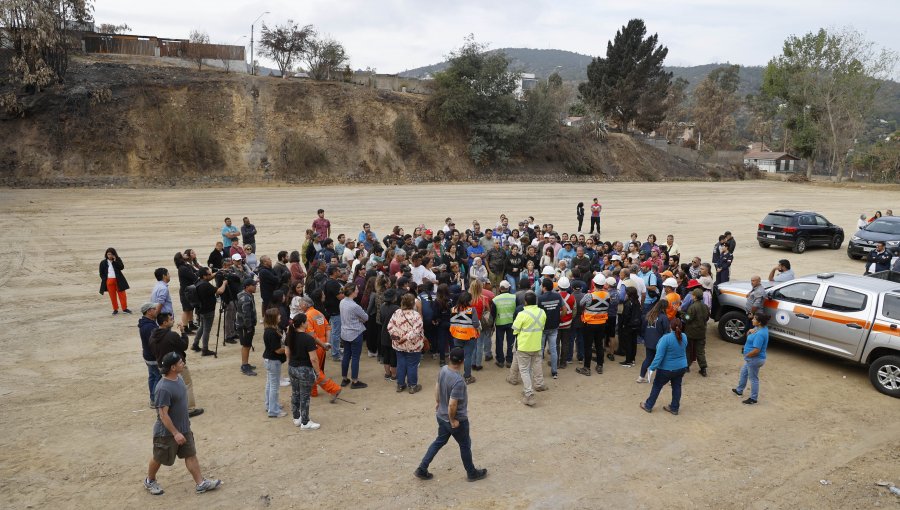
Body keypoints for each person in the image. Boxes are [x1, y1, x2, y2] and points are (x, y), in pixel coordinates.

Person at [144, 352, 221, 496]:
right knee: (159, 457)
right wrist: (175, 433)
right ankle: (150, 480)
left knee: (190, 454)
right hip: (166, 433)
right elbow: (163, 415)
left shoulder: (178, 379)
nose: (183, 363)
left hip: (184, 428)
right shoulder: (163, 388)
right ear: (173, 367)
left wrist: (183, 428)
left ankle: (200, 483)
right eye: (180, 362)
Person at [414, 346, 488, 482]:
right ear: (462, 361)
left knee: (439, 441)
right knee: (465, 444)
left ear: (450, 358)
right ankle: (471, 473)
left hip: (441, 416)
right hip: (454, 420)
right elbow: (453, 404)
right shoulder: (458, 381)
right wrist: (453, 420)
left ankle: (422, 468)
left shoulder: (443, 370)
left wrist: (438, 401)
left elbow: (437, 386)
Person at [148, 313, 202, 417]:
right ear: (164, 323)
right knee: (187, 384)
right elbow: (184, 346)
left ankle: (174, 408)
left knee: (170, 386)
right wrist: (183, 332)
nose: (172, 320)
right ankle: (190, 409)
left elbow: (152, 351)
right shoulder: (171, 335)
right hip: (177, 365)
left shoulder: (153, 336)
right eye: (170, 319)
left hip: (162, 366)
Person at [640, 318, 689, 415]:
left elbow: (659, 356)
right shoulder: (684, 336)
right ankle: (674, 408)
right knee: (676, 386)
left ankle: (648, 405)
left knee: (657, 386)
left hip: (666, 369)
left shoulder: (665, 338)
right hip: (681, 367)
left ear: (670, 326)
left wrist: (652, 367)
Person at [299, 296, 342, 401]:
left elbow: (311, 334)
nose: (299, 306)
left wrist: (322, 344)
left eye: (300, 304)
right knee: (315, 370)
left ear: (305, 305)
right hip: (321, 346)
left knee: (315, 371)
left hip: (314, 346)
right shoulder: (319, 313)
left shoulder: (307, 316)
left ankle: (334, 389)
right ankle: (312, 391)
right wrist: (326, 343)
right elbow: (328, 328)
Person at [284, 314, 322, 429]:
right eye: (306, 321)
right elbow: (313, 358)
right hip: (304, 370)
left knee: (295, 393)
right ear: (302, 323)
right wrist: (318, 372)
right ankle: (305, 422)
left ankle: (297, 418)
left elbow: (287, 353)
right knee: (305, 396)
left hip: (292, 367)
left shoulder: (290, 336)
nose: (308, 323)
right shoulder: (308, 339)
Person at [511, 291, 548, 406]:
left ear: (525, 302)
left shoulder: (522, 314)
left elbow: (515, 330)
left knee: (524, 370)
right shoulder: (542, 312)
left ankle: (529, 394)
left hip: (524, 346)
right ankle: (535, 385)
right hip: (536, 345)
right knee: (534, 367)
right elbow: (542, 326)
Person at [388, 293, 426, 394]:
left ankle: (400, 385)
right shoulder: (416, 315)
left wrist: (397, 338)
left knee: (401, 364)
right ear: (413, 303)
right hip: (413, 345)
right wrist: (405, 338)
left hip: (399, 345)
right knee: (412, 365)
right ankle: (412, 386)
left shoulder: (397, 312)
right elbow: (416, 331)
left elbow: (390, 327)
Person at [576, 274, 612, 376]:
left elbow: (581, 304)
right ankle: (600, 366)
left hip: (589, 324)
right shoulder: (607, 295)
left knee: (587, 346)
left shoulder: (589, 295)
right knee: (599, 345)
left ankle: (587, 368)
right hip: (602, 323)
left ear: (593, 283)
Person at [733, 312, 770, 405]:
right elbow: (749, 335)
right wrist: (749, 331)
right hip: (752, 359)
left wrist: (747, 355)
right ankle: (739, 390)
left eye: (754, 319)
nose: (752, 320)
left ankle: (753, 398)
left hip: (754, 359)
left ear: (759, 322)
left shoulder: (760, 334)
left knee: (753, 378)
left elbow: (757, 350)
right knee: (743, 372)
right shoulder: (759, 328)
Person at [339, 283, 369, 389]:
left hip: (345, 333)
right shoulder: (354, 306)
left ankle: (344, 378)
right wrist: (359, 319)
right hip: (355, 333)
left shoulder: (342, 302)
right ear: (352, 292)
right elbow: (365, 318)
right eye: (356, 289)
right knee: (355, 357)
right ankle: (355, 381)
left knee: (346, 355)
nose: (358, 291)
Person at [538, 278, 568, 379]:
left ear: (544, 287)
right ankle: (554, 372)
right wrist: (559, 318)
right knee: (553, 350)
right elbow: (565, 309)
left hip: (543, 327)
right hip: (554, 327)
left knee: (540, 350)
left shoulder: (540, 298)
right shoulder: (558, 296)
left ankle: (539, 373)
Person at [191, 268, 223, 356]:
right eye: (209, 274)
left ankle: (195, 344)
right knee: (206, 330)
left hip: (201, 309)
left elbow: (210, 277)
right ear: (204, 276)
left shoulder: (198, 281)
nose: (210, 275)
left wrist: (218, 272)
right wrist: (224, 283)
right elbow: (220, 291)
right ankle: (205, 349)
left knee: (202, 327)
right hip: (208, 310)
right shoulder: (205, 285)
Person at [450, 291, 480, 383]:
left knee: (457, 356)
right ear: (468, 301)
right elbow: (475, 324)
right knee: (468, 356)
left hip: (457, 336)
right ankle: (467, 377)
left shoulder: (453, 309)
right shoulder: (472, 310)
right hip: (469, 337)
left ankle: (455, 375)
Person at [262, 308, 287, 418]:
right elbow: (277, 350)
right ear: (273, 318)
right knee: (274, 387)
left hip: (270, 360)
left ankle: (270, 405)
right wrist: (288, 349)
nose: (280, 317)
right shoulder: (271, 333)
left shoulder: (271, 329)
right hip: (273, 361)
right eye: (278, 316)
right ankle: (273, 410)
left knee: (270, 384)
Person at [638, 298, 670, 383]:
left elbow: (643, 328)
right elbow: (666, 331)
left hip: (649, 341)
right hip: (660, 342)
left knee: (648, 359)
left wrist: (644, 337)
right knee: (663, 359)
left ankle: (641, 376)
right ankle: (665, 379)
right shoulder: (664, 317)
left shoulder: (649, 315)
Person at [683, 286, 710, 376]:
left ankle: (686, 367)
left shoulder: (692, 307)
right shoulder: (705, 307)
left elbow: (688, 318)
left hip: (691, 332)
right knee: (700, 351)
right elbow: (707, 318)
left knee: (688, 350)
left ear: (694, 296)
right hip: (701, 332)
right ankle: (703, 369)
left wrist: (682, 313)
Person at [139, 303, 161, 406]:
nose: (157, 310)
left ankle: (153, 398)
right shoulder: (149, 327)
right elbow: (154, 343)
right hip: (152, 357)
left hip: (147, 355)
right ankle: (155, 399)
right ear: (148, 311)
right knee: (158, 377)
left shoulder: (146, 323)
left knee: (152, 376)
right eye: (154, 309)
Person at [491, 280, 517, 368]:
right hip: (511, 323)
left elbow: (493, 314)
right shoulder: (514, 297)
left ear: (500, 288)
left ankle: (500, 360)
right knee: (511, 342)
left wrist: (492, 326)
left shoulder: (495, 299)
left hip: (500, 323)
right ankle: (509, 360)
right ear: (508, 288)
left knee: (499, 342)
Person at [236, 279, 258, 376]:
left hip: (244, 325)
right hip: (245, 326)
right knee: (246, 345)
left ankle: (246, 363)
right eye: (253, 285)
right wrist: (249, 327)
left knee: (247, 345)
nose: (255, 286)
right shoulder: (245, 298)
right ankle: (244, 366)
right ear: (247, 286)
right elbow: (246, 315)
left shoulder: (245, 295)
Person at [100, 247, 131, 315]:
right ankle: (115, 309)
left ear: (114, 254)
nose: (110, 256)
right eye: (108, 254)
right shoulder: (103, 262)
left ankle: (124, 308)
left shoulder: (117, 260)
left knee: (122, 295)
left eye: (111, 254)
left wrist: (115, 260)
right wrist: (105, 279)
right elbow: (101, 273)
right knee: (112, 296)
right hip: (109, 281)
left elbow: (121, 267)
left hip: (118, 280)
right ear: (106, 255)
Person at [618, 286, 642, 368]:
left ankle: (628, 361)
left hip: (629, 325)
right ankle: (632, 359)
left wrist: (624, 324)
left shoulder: (628, 303)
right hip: (636, 324)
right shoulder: (637, 301)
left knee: (628, 343)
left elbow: (626, 315)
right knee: (633, 342)